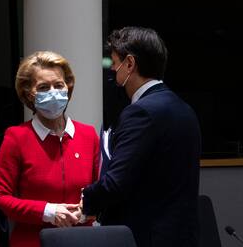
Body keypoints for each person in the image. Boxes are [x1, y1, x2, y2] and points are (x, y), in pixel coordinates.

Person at [82, 27, 201, 247]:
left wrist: (85, 201)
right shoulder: (184, 108)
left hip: (146, 236)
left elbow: (115, 183)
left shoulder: (141, 112)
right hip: (181, 235)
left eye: (114, 63)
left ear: (129, 64)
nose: (113, 71)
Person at [0, 51, 100, 247]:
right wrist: (48, 212)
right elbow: (0, 196)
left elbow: (100, 190)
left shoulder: (88, 135)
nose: (53, 92)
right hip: (33, 241)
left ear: (68, 87)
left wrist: (84, 212)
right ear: (29, 94)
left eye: (58, 85)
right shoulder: (16, 137)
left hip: (81, 239)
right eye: (43, 87)